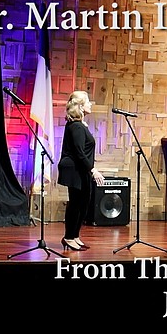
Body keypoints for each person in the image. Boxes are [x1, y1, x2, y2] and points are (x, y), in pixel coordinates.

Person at [57, 90, 105, 251]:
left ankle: (75, 235)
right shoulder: (76, 126)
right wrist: (93, 170)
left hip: (81, 169)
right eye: (88, 102)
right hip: (75, 169)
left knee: (83, 203)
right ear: (80, 106)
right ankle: (69, 237)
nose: (91, 104)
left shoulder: (80, 125)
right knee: (76, 204)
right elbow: (79, 152)